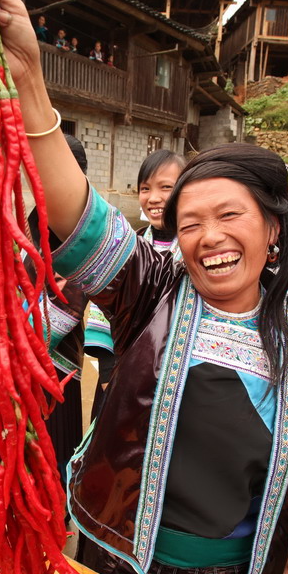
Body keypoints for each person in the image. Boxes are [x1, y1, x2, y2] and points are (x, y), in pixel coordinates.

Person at [0, 0, 288, 574]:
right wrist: (28, 78)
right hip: (115, 560)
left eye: (229, 216)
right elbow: (78, 214)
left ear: (273, 228)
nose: (208, 236)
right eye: (189, 223)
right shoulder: (154, 291)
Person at [85, 149, 185, 395]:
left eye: (166, 187)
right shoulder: (127, 246)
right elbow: (103, 307)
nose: (153, 198)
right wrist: (108, 374)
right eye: (145, 188)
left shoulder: (195, 252)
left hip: (173, 381)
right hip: (119, 374)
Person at [27, 134, 89, 485]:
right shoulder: (35, 220)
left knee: (49, 455)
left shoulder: (78, 229)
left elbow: (69, 309)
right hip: (26, 359)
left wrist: (14, 336)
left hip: (55, 365)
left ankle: (54, 522)